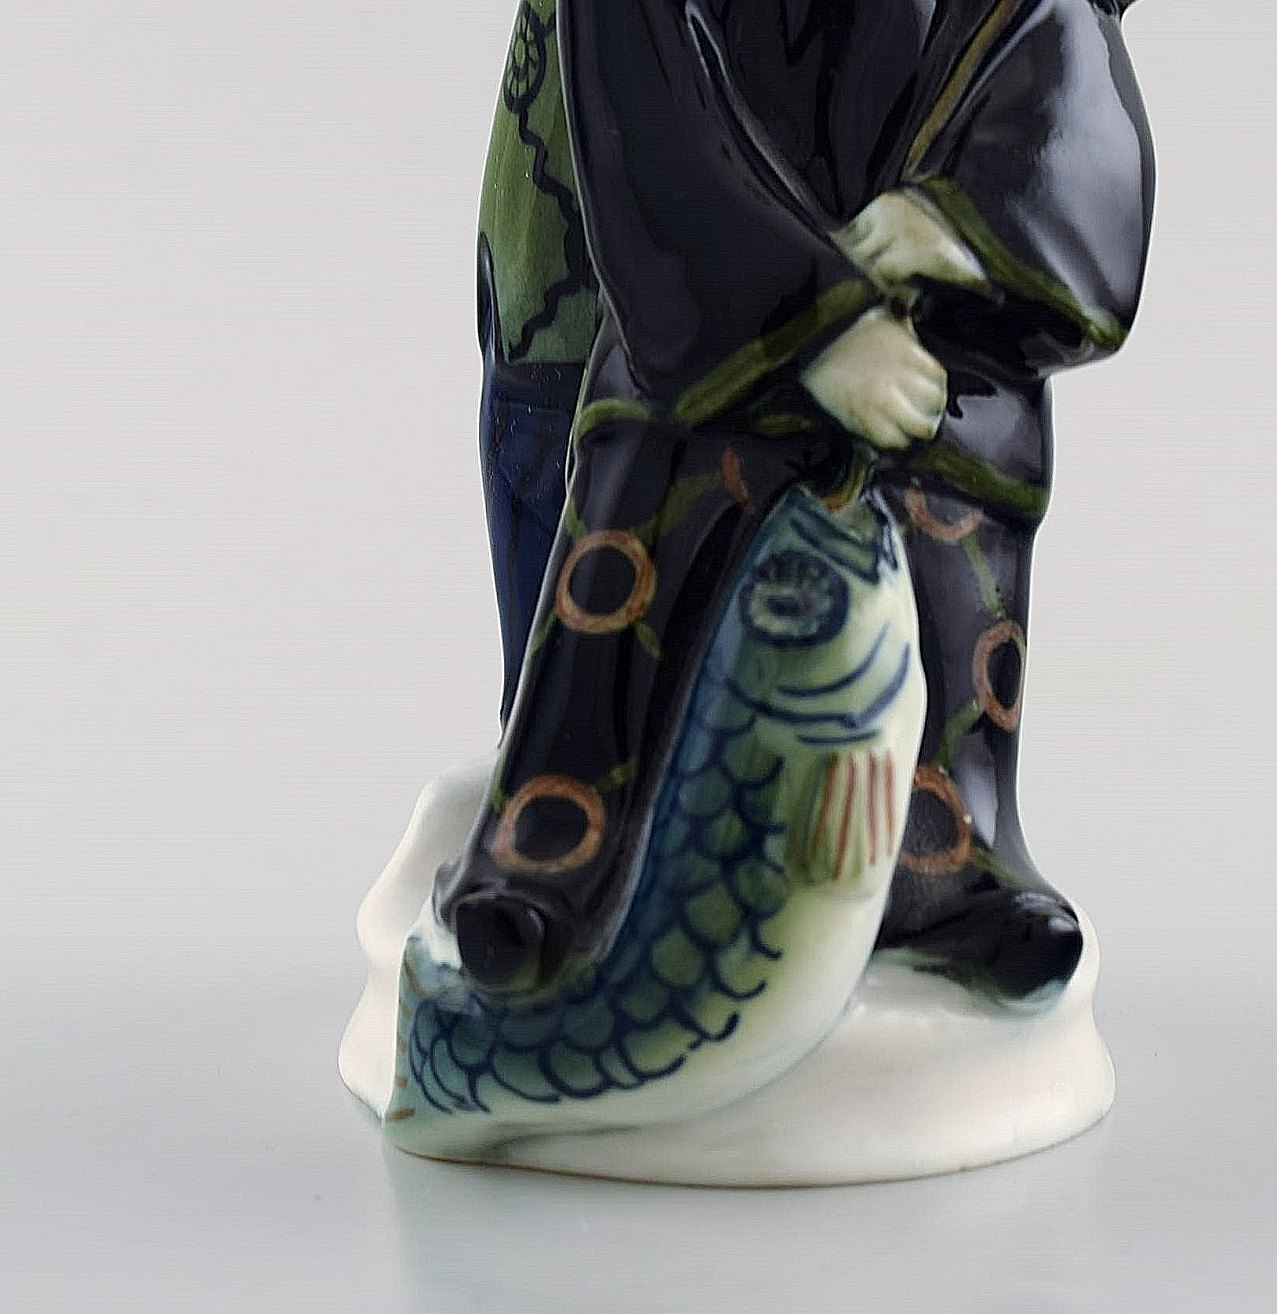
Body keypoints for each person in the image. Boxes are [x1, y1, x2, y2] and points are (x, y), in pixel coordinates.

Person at [444, 0, 1154, 1006]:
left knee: (960, 513)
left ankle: (950, 851)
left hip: (936, 329)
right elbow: (646, 116)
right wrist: (811, 328)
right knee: (635, 550)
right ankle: (553, 850)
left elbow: (1063, 88)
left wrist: (952, 227)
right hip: (716, 330)